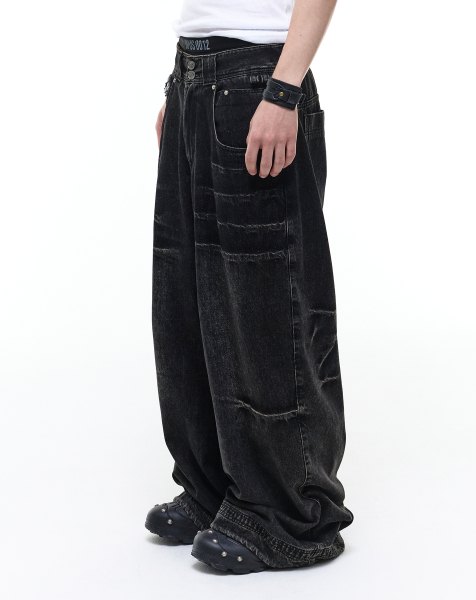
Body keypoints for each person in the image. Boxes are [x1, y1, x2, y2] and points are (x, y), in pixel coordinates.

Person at [145, 0, 354, 574]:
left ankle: (290, 514)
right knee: (186, 300)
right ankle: (215, 488)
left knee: (268, 306)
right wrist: (181, 89)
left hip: (260, 78)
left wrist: (284, 91)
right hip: (195, 76)